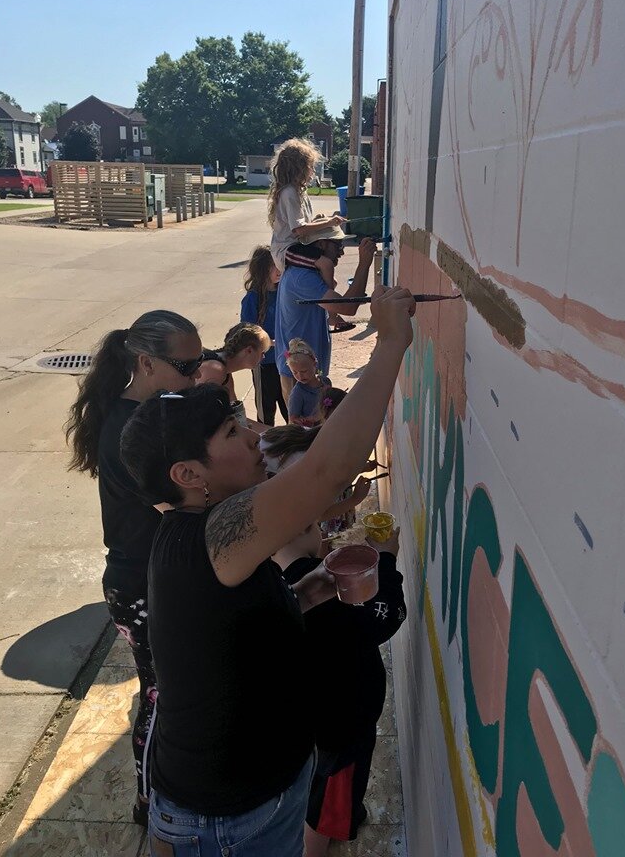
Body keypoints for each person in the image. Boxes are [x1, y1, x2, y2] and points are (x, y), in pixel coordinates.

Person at [119, 284, 415, 857]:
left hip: (233, 807)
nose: (255, 437)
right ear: (188, 474)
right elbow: (328, 470)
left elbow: (226, 632)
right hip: (227, 822)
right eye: (234, 433)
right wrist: (391, 344)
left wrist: (302, 592)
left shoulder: (198, 533)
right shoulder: (213, 533)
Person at [64, 310, 203, 826]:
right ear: (146, 362)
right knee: (160, 696)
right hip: (139, 584)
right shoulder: (129, 431)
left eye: (200, 361)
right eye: (185, 366)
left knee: (166, 688)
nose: (195, 375)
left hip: (153, 575)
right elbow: (183, 508)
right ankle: (149, 800)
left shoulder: (157, 410)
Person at [269, 487, 406, 855]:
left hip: (311, 718)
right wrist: (388, 561)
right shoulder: (320, 590)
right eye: (315, 525)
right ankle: (314, 844)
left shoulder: (274, 584)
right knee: (328, 799)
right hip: (342, 723)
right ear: (303, 533)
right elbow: (384, 618)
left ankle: (341, 813)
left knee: (322, 784)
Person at [275, 226, 376, 400]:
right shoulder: (303, 278)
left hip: (307, 369)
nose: (341, 252)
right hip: (300, 373)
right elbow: (347, 307)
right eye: (337, 245)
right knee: (306, 424)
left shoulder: (307, 273)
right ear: (322, 244)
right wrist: (364, 264)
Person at [267, 137, 355, 337]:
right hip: (287, 250)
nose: (312, 172)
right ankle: (333, 315)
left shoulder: (298, 192)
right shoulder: (289, 192)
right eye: (310, 167)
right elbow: (298, 229)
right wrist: (330, 222)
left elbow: (304, 224)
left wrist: (322, 220)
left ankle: (329, 304)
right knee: (326, 264)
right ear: (298, 167)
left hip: (299, 245)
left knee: (326, 267)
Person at [240, 245, 288, 425]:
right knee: (265, 412)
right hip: (264, 363)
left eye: (281, 264)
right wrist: (269, 342)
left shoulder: (286, 292)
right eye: (274, 265)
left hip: (286, 361)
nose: (279, 269)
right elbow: (247, 332)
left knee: (289, 407)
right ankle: (264, 447)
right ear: (262, 269)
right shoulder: (252, 299)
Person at [197, 322, 270, 427]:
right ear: (249, 350)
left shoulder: (224, 372)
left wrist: (275, 432)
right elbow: (204, 418)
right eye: (262, 352)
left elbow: (238, 417)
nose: (263, 357)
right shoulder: (215, 370)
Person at [286, 338, 331, 427]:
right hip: (310, 433)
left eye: (304, 371)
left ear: (314, 364)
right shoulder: (298, 392)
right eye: (295, 372)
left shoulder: (326, 381)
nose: (300, 376)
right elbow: (293, 418)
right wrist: (304, 421)